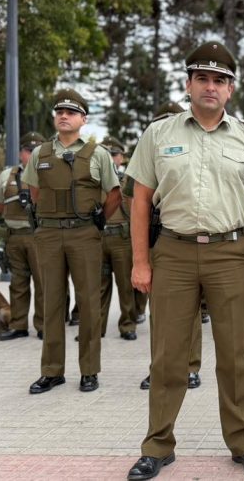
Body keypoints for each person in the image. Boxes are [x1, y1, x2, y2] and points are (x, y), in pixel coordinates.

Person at [126, 41, 244, 480]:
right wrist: (140, 261)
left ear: (231, 89)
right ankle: (157, 445)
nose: (211, 87)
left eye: (220, 80)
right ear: (188, 84)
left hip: (231, 253)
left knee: (235, 355)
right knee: (167, 357)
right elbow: (139, 202)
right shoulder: (159, 134)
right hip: (171, 252)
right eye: (203, 79)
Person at [23, 89, 121, 394]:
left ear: (83, 119)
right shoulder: (40, 154)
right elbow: (35, 192)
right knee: (51, 300)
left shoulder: (98, 154)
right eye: (59, 112)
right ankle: (52, 371)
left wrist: (97, 221)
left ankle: (89, 370)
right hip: (49, 233)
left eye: (71, 112)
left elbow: (114, 192)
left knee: (89, 302)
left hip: (84, 233)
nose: (63, 116)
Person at [135, 101, 203, 392]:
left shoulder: (194, 151)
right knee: (160, 312)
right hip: (159, 238)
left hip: (187, 237)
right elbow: (135, 200)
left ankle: (190, 366)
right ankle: (159, 367)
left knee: (191, 311)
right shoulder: (151, 149)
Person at [0, 132, 46, 340]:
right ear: (21, 153)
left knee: (44, 283)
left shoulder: (51, 173)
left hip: (39, 235)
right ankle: (18, 325)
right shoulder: (7, 176)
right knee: (18, 283)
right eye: (28, 151)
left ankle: (44, 325)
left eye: (37, 151)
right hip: (14, 236)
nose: (32, 154)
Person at [99, 135, 137, 341]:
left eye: (114, 155)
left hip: (122, 238)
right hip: (100, 237)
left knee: (125, 285)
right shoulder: (95, 178)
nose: (111, 158)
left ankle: (128, 325)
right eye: (106, 155)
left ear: (121, 158)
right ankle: (97, 327)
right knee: (99, 287)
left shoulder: (128, 179)